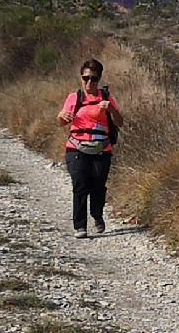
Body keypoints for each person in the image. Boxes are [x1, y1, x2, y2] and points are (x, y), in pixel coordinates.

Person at [57, 59, 122, 239]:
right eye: (86, 78)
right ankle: (80, 226)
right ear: (81, 77)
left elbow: (120, 122)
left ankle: (97, 215)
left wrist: (111, 111)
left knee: (98, 186)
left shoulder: (106, 98)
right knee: (80, 184)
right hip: (76, 147)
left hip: (102, 148)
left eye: (93, 79)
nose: (89, 83)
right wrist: (62, 117)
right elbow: (61, 122)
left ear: (99, 79)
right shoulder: (74, 97)